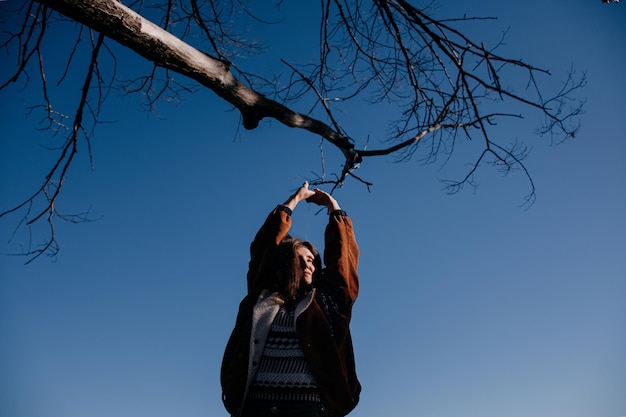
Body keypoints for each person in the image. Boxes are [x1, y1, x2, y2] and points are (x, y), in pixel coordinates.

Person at [221, 182, 361, 417]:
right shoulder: (262, 297)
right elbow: (263, 251)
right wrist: (293, 202)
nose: (308, 264)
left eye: (311, 260)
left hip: (308, 408)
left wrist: (334, 209)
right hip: (256, 407)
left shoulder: (325, 302)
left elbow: (342, 267)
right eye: (300, 259)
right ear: (287, 264)